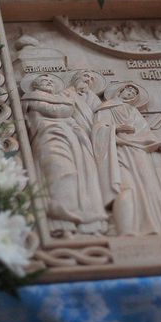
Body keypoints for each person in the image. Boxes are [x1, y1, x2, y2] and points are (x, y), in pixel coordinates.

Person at [21, 73, 108, 235]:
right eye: (44, 80)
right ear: (35, 85)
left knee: (78, 176)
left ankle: (83, 223)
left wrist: (78, 130)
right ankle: (60, 221)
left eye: (51, 81)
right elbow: (55, 110)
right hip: (48, 137)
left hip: (72, 140)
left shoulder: (64, 100)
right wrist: (67, 107)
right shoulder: (31, 98)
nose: (48, 82)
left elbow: (69, 118)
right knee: (60, 172)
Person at [92, 82, 161, 235]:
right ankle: (127, 230)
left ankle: (152, 226)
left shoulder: (133, 111)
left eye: (134, 93)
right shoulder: (106, 108)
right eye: (128, 90)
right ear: (120, 91)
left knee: (148, 187)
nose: (131, 93)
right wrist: (117, 128)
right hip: (117, 149)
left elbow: (146, 133)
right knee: (125, 187)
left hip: (138, 151)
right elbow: (99, 129)